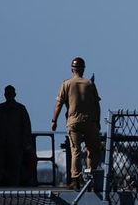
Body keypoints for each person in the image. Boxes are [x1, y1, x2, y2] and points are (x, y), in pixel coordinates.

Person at [51, 57, 102, 191]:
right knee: (91, 150)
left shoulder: (66, 84)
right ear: (83, 69)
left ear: (72, 69)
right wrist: (97, 122)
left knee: (76, 151)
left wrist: (54, 120)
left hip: (73, 122)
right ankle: (91, 179)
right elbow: (97, 106)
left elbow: (59, 104)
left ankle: (75, 180)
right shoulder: (90, 84)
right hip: (90, 122)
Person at [0, 85, 33, 186]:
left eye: (10, 93)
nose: (9, 95)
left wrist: (25, 143)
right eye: (8, 93)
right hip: (2, 145)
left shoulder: (20, 109)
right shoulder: (0, 108)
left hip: (15, 145)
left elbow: (26, 127)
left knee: (15, 170)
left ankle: (13, 188)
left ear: (14, 94)